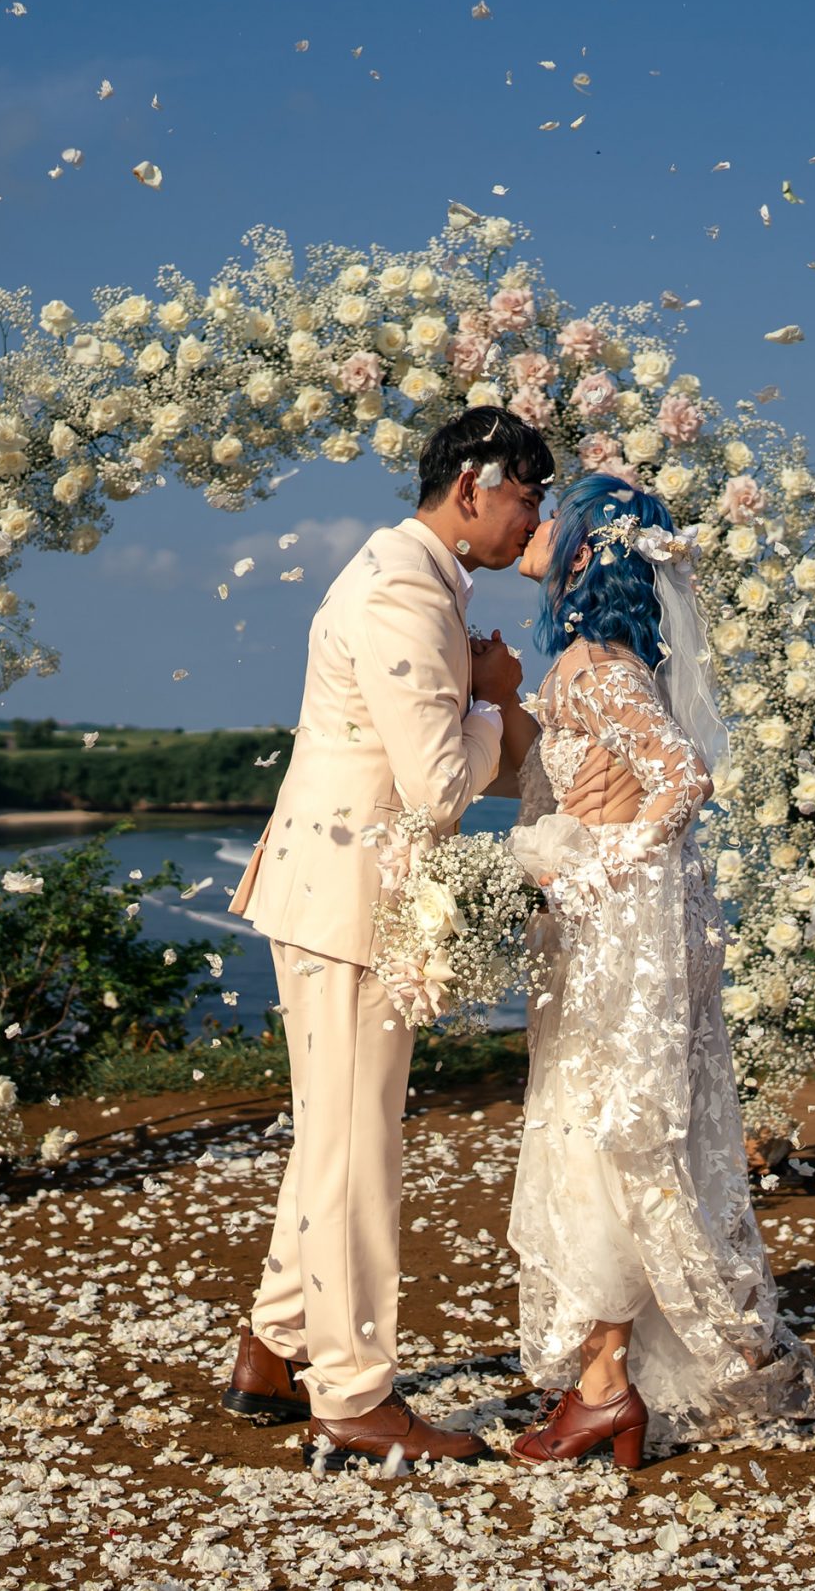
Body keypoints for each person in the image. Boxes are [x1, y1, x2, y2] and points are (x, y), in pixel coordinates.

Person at [218, 405, 552, 1465]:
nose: (531, 518)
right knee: (356, 1147)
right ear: (472, 486)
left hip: (333, 889)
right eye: (525, 495)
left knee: (334, 1129)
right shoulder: (405, 588)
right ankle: (354, 1396)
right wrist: (502, 705)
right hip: (350, 900)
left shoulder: (410, 577)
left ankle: (272, 1351)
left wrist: (479, 695)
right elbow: (439, 785)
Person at [501, 472, 815, 1468]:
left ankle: (615, 1388)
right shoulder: (586, 665)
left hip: (621, 937)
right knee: (608, 1135)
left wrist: (600, 868)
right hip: (604, 930)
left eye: (556, 512)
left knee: (619, 1139)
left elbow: (684, 777)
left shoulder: (599, 667)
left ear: (589, 550)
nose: (537, 522)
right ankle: (622, 1380)